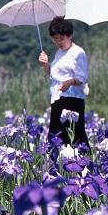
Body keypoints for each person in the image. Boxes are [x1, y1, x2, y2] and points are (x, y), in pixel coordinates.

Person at [38, 16, 90, 148]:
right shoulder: (59, 52)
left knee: (74, 134)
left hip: (72, 99)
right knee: (56, 135)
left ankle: (83, 164)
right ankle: (59, 166)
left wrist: (70, 82)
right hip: (58, 97)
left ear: (70, 35)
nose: (58, 42)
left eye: (62, 38)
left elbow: (82, 77)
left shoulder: (78, 53)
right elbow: (53, 75)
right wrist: (45, 64)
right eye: (55, 39)